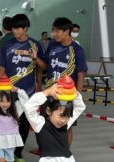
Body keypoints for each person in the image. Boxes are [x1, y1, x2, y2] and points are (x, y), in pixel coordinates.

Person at [0, 13, 44, 162]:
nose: (15, 31)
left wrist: (38, 84)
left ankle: (17, 152)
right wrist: (1, 88)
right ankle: (7, 152)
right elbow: (1, 68)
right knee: (8, 121)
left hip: (28, 92)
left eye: (18, 28)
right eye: (13, 28)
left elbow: (43, 67)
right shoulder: (8, 45)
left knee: (24, 123)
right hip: (9, 90)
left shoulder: (35, 45)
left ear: (26, 28)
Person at [41, 17, 87, 146]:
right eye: (53, 30)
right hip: (50, 92)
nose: (54, 34)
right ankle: (48, 154)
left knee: (66, 125)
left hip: (67, 95)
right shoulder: (52, 46)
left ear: (67, 31)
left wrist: (77, 95)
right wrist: (35, 58)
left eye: (57, 31)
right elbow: (45, 66)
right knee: (47, 123)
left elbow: (81, 73)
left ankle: (64, 153)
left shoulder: (77, 50)